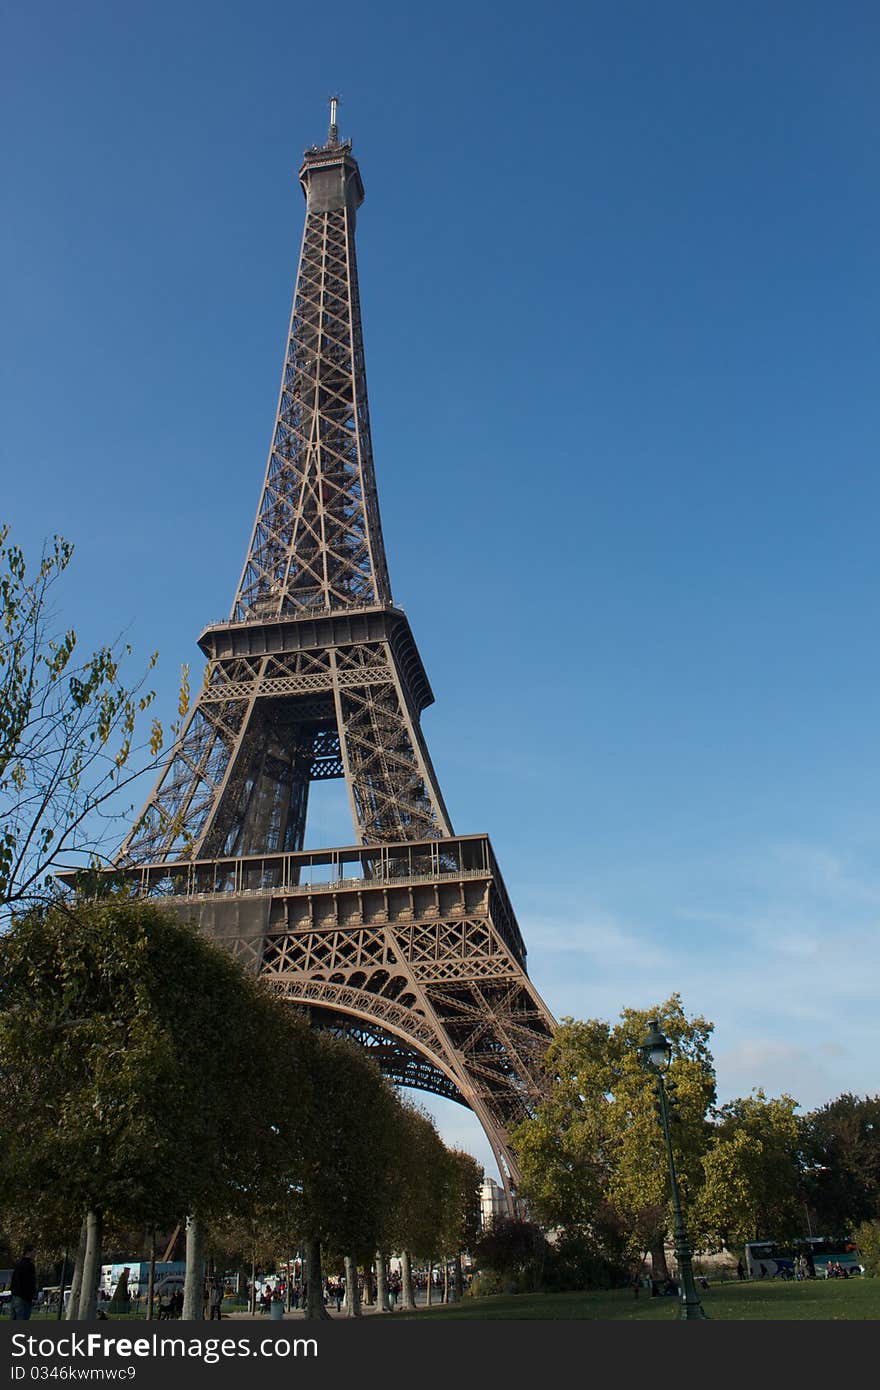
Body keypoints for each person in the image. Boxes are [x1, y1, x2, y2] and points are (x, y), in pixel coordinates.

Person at [11, 1246, 37, 1321]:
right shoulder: (30, 1266)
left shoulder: (18, 1265)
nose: (35, 1254)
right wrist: (32, 1295)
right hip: (24, 1298)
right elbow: (30, 1283)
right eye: (34, 1252)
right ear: (28, 1252)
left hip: (15, 1297)